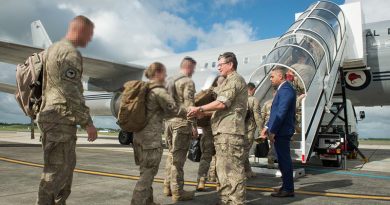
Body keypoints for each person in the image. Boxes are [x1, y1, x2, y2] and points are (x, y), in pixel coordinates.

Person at [36, 15, 98, 204]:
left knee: (62, 170)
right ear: (80, 30)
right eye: (89, 34)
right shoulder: (69, 54)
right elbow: (71, 91)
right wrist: (88, 122)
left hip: (50, 116)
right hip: (60, 118)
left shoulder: (51, 50)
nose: (90, 39)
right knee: (56, 172)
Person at [188, 52, 248, 205]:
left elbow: (221, 103)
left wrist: (199, 108)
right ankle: (224, 199)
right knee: (222, 170)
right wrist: (203, 113)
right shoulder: (227, 82)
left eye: (221, 64)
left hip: (230, 132)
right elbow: (220, 109)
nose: (218, 67)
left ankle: (235, 201)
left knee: (233, 170)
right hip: (222, 133)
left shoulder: (235, 80)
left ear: (230, 64)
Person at [131, 62, 187, 205]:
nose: (166, 75)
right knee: (147, 176)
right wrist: (196, 110)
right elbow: (174, 109)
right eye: (164, 72)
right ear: (157, 73)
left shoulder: (143, 89)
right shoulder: (158, 91)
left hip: (138, 138)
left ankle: (148, 202)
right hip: (150, 141)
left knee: (145, 172)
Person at [163, 56, 197, 202]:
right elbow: (190, 107)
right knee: (178, 160)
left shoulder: (169, 81)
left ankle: (167, 187)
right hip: (181, 124)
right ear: (189, 67)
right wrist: (193, 125)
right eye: (193, 69)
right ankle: (178, 192)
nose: (194, 72)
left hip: (168, 123)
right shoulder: (187, 81)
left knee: (171, 155)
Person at [261, 66, 296, 197]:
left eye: (272, 76)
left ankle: (288, 189)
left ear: (280, 76)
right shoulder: (282, 89)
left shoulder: (286, 90)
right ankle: (285, 186)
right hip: (280, 130)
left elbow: (281, 113)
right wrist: (266, 127)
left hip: (282, 131)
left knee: (284, 160)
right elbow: (275, 113)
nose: (270, 79)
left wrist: (273, 130)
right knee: (281, 160)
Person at [195, 76, 224, 191]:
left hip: (207, 129)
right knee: (220, 157)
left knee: (206, 156)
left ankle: (201, 181)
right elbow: (222, 110)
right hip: (219, 129)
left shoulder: (206, 93)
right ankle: (219, 183)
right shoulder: (223, 94)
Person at [244, 82, 263, 178]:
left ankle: (248, 171)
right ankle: (240, 173)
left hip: (237, 129)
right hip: (249, 130)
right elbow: (258, 117)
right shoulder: (253, 100)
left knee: (243, 151)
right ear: (253, 89)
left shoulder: (240, 99)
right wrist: (261, 131)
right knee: (245, 152)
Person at [256, 89, 277, 168]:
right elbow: (262, 115)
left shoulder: (270, 103)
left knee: (272, 144)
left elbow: (262, 116)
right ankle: (271, 162)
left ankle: (271, 161)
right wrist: (262, 128)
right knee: (272, 144)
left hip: (271, 126)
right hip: (270, 126)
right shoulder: (269, 103)